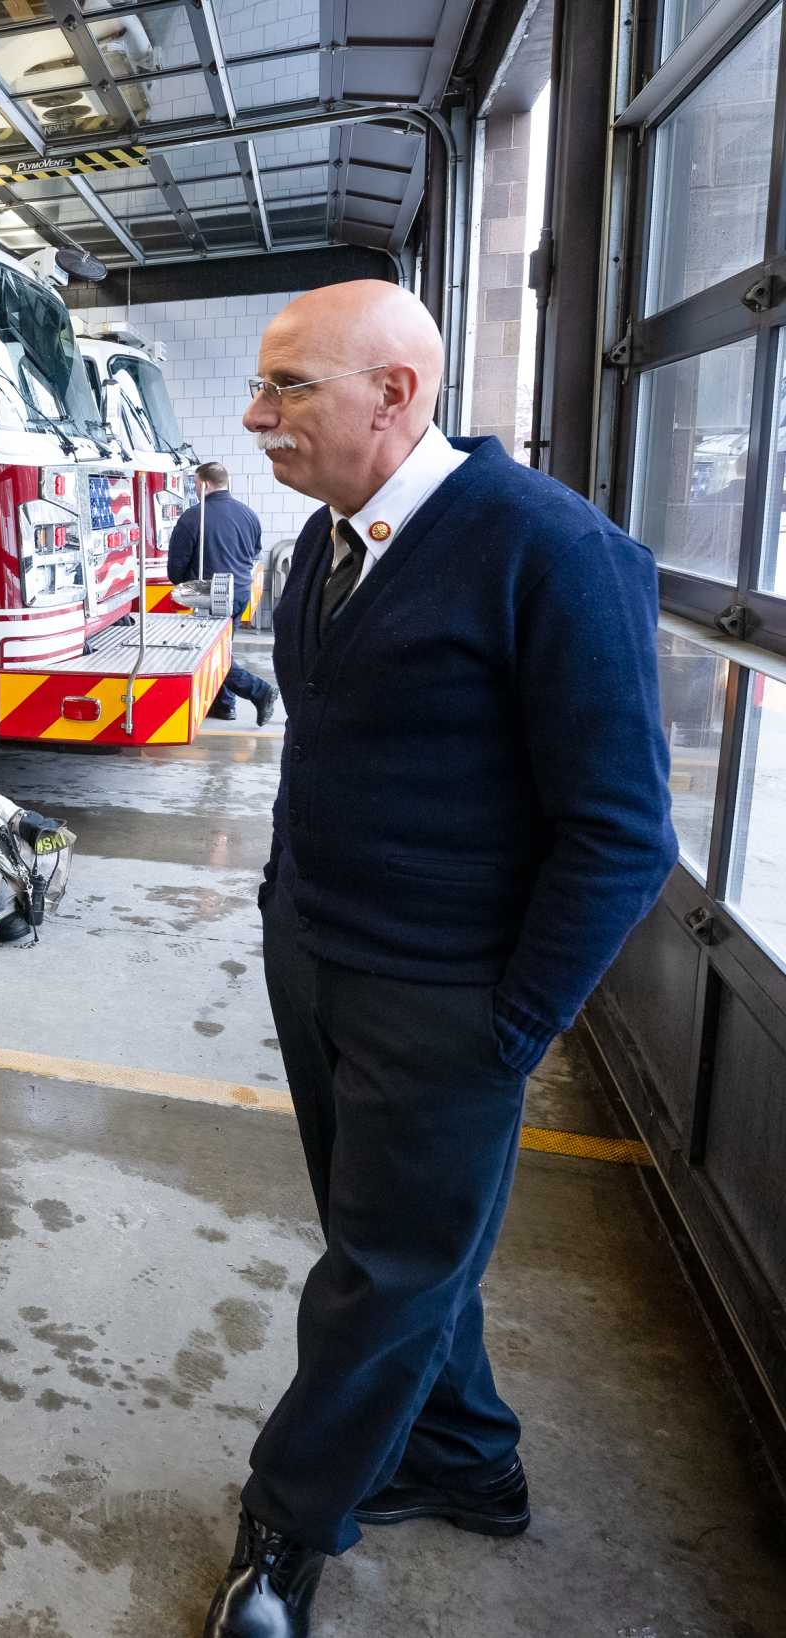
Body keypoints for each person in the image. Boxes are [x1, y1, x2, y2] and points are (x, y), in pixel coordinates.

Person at [201, 281, 677, 1638]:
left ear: (396, 395)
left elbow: (621, 834)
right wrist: (288, 912)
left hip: (445, 1002)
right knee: (399, 1247)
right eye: (262, 383)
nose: (255, 415)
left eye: (288, 386)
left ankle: (289, 1523)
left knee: (382, 1273)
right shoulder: (325, 543)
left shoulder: (553, 553)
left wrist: (509, 1028)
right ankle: (468, 1458)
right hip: (321, 957)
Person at [166, 461, 278, 725]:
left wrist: (190, 588)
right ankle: (225, 705)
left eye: (194, 484)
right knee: (223, 648)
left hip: (209, 596)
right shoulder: (248, 514)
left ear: (204, 484)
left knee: (206, 654)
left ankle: (259, 691)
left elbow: (175, 569)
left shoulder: (194, 516)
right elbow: (254, 553)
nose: (194, 489)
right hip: (240, 592)